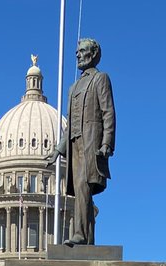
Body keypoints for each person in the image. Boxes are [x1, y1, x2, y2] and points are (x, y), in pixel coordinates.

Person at [53, 37, 115, 246]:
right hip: (74, 145)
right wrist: (58, 150)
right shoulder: (73, 88)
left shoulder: (101, 79)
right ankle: (86, 238)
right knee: (81, 190)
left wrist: (107, 143)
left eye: (81, 50)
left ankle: (82, 236)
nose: (77, 55)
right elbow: (70, 123)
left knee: (83, 187)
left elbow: (108, 113)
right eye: (77, 51)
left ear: (93, 54)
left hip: (92, 143)